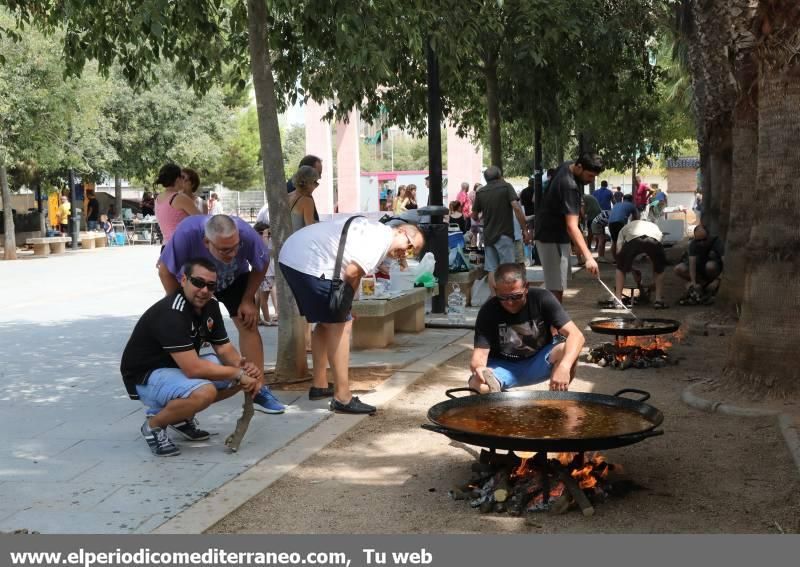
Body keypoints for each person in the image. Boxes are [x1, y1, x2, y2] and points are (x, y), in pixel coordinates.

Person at [278, 218, 425, 414]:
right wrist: (346, 309)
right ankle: (342, 397)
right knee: (341, 325)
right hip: (308, 261)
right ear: (400, 231)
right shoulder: (380, 240)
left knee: (326, 322)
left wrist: (345, 307)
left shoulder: (375, 232)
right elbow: (352, 272)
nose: (404, 253)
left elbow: (351, 274)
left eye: (410, 253)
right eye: (408, 246)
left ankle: (320, 385)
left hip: (295, 256)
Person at [120, 258, 264, 456]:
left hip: (174, 369)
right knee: (205, 392)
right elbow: (193, 369)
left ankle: (179, 416)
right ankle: (154, 425)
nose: (204, 290)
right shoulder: (172, 312)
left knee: (237, 379)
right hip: (145, 376)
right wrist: (237, 373)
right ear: (184, 280)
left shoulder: (210, 306)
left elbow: (224, 348)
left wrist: (244, 368)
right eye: (198, 282)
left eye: (211, 285)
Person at [158, 214, 285, 414]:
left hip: (234, 279)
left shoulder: (247, 234)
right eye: (225, 250)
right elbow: (165, 271)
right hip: (198, 283)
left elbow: (262, 263)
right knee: (185, 331)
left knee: (248, 323)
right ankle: (174, 393)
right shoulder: (186, 233)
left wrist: (247, 298)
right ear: (206, 242)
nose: (233, 253)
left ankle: (258, 388)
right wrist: (180, 307)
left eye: (236, 246)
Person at [469, 263, 585, 394]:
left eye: (516, 296)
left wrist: (564, 366)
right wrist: (479, 368)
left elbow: (577, 336)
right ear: (496, 291)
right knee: (475, 385)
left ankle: (557, 398)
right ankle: (497, 402)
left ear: (526, 287)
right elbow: (479, 354)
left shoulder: (542, 299)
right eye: (504, 297)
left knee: (567, 350)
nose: (510, 302)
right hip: (503, 367)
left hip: (538, 361)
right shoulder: (488, 310)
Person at [534, 154, 603, 303]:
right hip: (550, 235)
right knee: (556, 286)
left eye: (594, 177)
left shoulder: (567, 166)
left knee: (556, 282)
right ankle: (553, 322)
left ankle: (550, 316)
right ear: (579, 167)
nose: (591, 180)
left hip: (555, 233)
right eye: (589, 175)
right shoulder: (569, 186)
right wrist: (589, 257)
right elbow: (572, 226)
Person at [471, 166, 532, 295]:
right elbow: (516, 207)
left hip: (488, 235)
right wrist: (524, 229)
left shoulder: (481, 192)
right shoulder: (506, 187)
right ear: (499, 176)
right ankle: (508, 296)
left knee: (491, 269)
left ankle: (495, 298)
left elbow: (474, 215)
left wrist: (482, 218)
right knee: (507, 269)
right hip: (505, 234)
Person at [610, 219, 669, 309]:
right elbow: (655, 258)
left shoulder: (625, 228)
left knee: (620, 268)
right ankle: (658, 300)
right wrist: (653, 279)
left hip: (633, 238)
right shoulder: (654, 226)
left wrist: (624, 265)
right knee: (660, 269)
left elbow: (618, 252)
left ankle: (618, 301)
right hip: (654, 238)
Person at [153, 163, 202, 244]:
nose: (183, 180)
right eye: (182, 177)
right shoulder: (180, 198)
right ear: (177, 179)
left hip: (166, 247)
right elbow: (201, 220)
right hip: (182, 247)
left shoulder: (158, 198)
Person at [674, 225, 724, 303]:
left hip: (714, 271)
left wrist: (718, 280)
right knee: (678, 269)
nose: (702, 243)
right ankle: (703, 285)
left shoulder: (717, 242)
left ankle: (715, 286)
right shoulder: (693, 244)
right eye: (698, 240)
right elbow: (692, 265)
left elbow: (726, 263)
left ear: (708, 236)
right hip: (700, 271)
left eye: (704, 240)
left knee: (710, 266)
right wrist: (694, 283)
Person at [253, 222, 278, 325]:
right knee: (264, 298)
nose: (269, 234)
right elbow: (267, 250)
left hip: (269, 272)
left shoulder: (268, 241)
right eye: (266, 232)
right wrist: (265, 236)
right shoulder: (261, 242)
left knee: (259, 297)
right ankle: (267, 319)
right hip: (266, 273)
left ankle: (258, 318)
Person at [607, 194, 639, 261]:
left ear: (623, 199)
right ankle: (622, 259)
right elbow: (636, 219)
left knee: (615, 241)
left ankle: (615, 260)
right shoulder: (631, 205)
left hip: (610, 223)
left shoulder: (616, 204)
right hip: (619, 223)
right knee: (623, 241)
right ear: (632, 200)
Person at [288, 165, 320, 232]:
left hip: (286, 240)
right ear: (308, 183)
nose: (317, 186)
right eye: (315, 182)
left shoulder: (288, 196)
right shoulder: (307, 201)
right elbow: (310, 229)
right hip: (298, 240)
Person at [581, 192, 601, 264]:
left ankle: (589, 246)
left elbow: (582, 210)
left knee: (590, 231)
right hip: (598, 213)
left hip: (592, 215)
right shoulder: (588, 196)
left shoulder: (581, 198)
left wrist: (583, 218)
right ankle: (596, 246)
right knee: (597, 230)